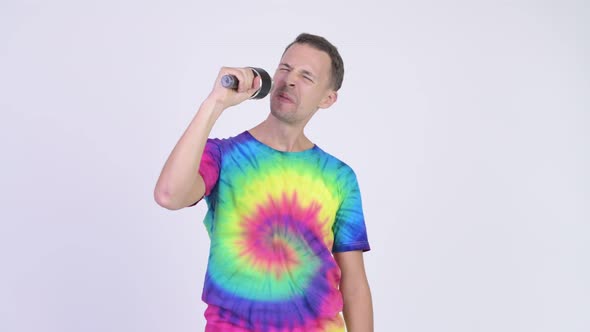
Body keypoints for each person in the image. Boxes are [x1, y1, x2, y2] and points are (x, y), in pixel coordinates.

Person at [154, 33, 373, 332]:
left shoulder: (339, 177)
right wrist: (215, 102)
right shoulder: (222, 155)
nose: (290, 80)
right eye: (285, 68)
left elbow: (355, 284)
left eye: (306, 76)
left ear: (328, 98)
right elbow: (169, 195)